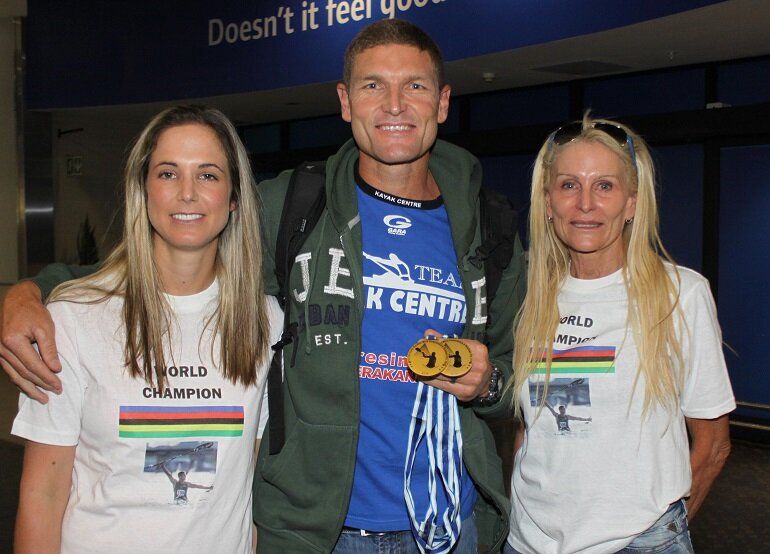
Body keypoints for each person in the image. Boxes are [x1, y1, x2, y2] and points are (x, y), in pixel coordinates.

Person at [1, 19, 525, 553]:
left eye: (414, 85)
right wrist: (31, 291)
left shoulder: (489, 227)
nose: (393, 104)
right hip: (318, 533)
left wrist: (486, 385)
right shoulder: (293, 207)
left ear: (442, 102)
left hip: (446, 525)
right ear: (345, 101)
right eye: (372, 85)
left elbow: (516, 382)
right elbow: (184, 239)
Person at [11, 105, 281, 553]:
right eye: (169, 173)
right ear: (143, 189)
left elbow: (244, 490)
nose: (188, 193)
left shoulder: (264, 322)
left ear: (234, 197)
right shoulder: (73, 318)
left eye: (209, 175)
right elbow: (42, 495)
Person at [505, 115, 735, 554]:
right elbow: (529, 426)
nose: (585, 204)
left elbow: (713, 445)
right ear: (548, 202)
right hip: (528, 540)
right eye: (569, 185)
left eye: (605, 186)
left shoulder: (679, 294)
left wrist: (663, 536)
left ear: (631, 202)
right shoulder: (527, 292)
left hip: (637, 540)